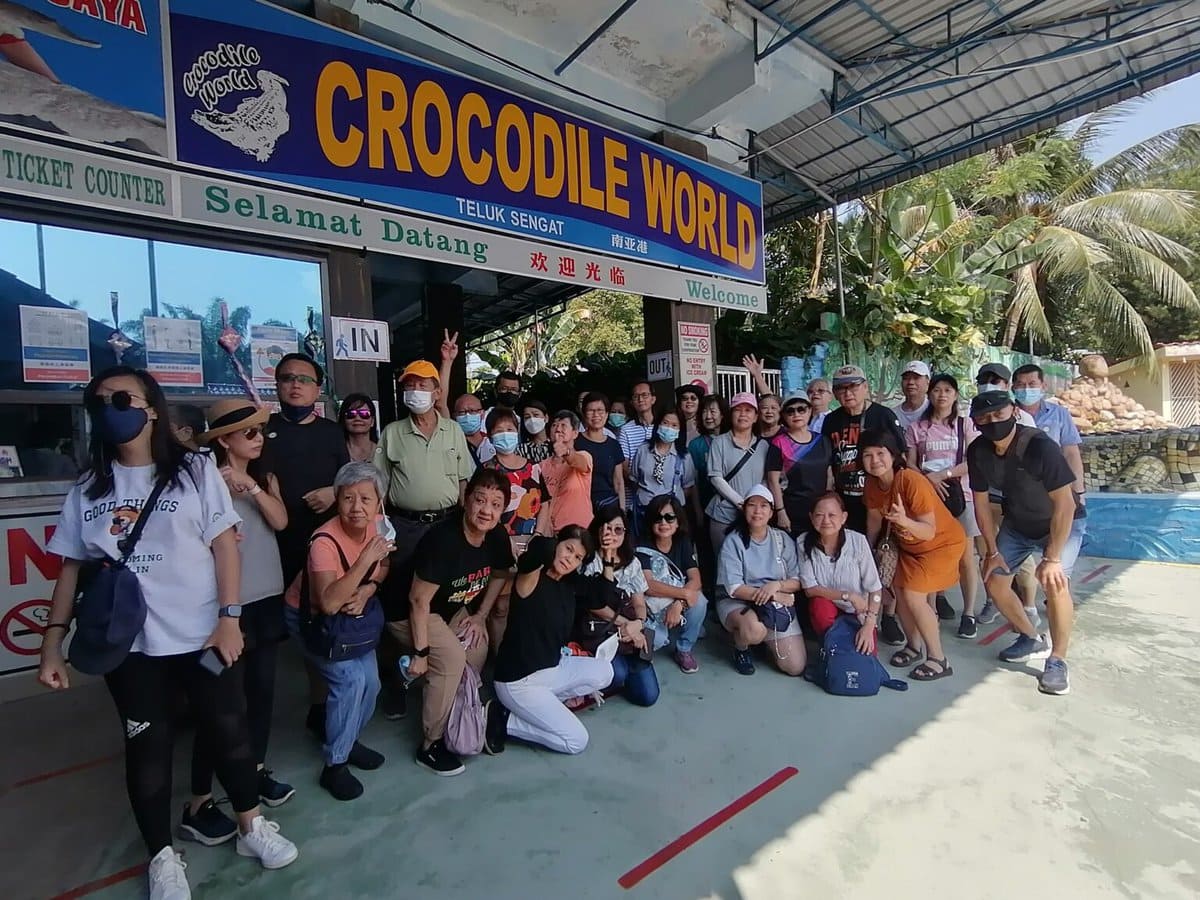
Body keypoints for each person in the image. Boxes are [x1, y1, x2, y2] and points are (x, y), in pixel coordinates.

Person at [40, 367, 298, 899]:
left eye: (121, 398)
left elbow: (226, 545)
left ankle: (250, 825)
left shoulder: (195, 470)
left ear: (151, 408)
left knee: (228, 729)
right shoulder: (87, 490)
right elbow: (69, 569)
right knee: (148, 749)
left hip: (203, 641)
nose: (112, 408)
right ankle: (162, 855)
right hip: (131, 651)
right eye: (100, 402)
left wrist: (228, 619)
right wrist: (51, 644)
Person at [186, 400, 293, 846]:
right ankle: (198, 800)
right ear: (223, 439)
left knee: (262, 693)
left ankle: (253, 771)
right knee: (219, 703)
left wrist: (250, 487)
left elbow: (281, 521)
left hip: (266, 603)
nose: (258, 439)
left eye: (260, 432)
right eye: (248, 433)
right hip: (221, 612)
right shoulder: (199, 482)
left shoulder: (263, 478)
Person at [386, 468, 515, 774]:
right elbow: (418, 600)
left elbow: (502, 573)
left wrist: (481, 616)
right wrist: (421, 652)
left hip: (449, 608)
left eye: (496, 504)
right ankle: (430, 744)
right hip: (408, 612)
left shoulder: (495, 535)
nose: (486, 510)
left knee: (477, 647)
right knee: (452, 659)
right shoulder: (443, 540)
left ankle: (458, 712)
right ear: (466, 499)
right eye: (480, 500)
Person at [375, 359, 475, 720]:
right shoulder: (392, 433)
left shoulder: (453, 431)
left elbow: (465, 484)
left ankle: (437, 665)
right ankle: (396, 680)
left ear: (437, 393)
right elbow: (378, 487)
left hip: (447, 525)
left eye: (422, 386)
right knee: (399, 603)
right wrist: (380, 531)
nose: (414, 392)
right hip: (407, 528)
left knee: (443, 599)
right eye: (409, 385)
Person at [285, 462, 391, 800]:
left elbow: (383, 566)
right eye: (348, 498)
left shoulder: (380, 526)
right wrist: (363, 563)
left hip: (351, 617)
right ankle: (335, 765)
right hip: (315, 620)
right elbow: (328, 603)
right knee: (350, 682)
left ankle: (346, 740)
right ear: (337, 500)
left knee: (372, 683)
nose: (356, 507)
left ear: (379, 503)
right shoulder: (324, 542)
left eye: (365, 499)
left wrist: (367, 590)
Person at [968, 391, 1085, 696]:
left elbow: (1066, 505)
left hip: (1059, 524)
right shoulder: (978, 450)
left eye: (998, 414)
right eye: (984, 418)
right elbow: (980, 504)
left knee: (1056, 583)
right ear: (975, 423)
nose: (992, 422)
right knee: (994, 581)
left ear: (1014, 412)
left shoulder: (1040, 446)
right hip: (1018, 524)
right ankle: (1030, 636)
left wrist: (1053, 557)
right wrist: (992, 551)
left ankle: (1057, 660)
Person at [258, 353, 349, 738]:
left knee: (319, 625)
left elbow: (349, 481)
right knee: (265, 638)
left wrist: (333, 492)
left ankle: (319, 706)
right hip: (269, 546)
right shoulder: (261, 429)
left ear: (318, 388)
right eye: (287, 378)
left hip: (321, 546)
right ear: (277, 385)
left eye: (304, 379)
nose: (295, 385)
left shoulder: (330, 432)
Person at [485, 529, 615, 756]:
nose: (569, 559)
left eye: (577, 558)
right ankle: (505, 720)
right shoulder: (531, 577)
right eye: (568, 549)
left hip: (552, 667)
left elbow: (602, 596)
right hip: (518, 680)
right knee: (576, 741)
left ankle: (544, 706)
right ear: (557, 544)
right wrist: (555, 541)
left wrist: (608, 557)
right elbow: (538, 550)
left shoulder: (569, 584)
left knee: (605, 672)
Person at [862, 429, 966, 683]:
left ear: (893, 455)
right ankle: (913, 646)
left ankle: (939, 659)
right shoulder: (873, 484)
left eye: (880, 453)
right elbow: (874, 522)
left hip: (941, 544)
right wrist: (868, 552)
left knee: (913, 595)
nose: (875, 460)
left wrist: (903, 521)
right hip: (909, 547)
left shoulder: (910, 479)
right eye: (867, 455)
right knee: (899, 591)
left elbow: (928, 531)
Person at [905, 374, 983, 637]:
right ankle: (932, 609)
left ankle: (969, 612)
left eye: (948, 390)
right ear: (930, 394)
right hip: (929, 498)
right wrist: (927, 480)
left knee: (965, 557)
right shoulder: (918, 427)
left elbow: (974, 461)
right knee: (931, 553)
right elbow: (910, 463)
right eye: (937, 390)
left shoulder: (965, 425)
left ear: (955, 395)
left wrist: (943, 475)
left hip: (961, 496)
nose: (942, 395)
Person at [716, 484, 807, 676]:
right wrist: (774, 596)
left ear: (772, 511)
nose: (758, 511)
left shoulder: (781, 539)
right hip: (739, 602)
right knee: (753, 631)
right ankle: (741, 647)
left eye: (764, 506)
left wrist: (778, 586)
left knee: (795, 666)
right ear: (744, 508)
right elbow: (734, 588)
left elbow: (798, 580)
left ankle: (764, 643)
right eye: (752, 505)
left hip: (774, 604)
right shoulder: (734, 541)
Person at [974, 362, 1037, 626]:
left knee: (1022, 557)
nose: (990, 384)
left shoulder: (1023, 420)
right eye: (985, 380)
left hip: (1018, 500)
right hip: (986, 494)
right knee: (988, 552)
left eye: (996, 381)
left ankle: (1029, 605)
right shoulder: (977, 413)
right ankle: (994, 601)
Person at [578, 508, 656, 706]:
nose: (612, 534)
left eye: (618, 530)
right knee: (618, 674)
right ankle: (603, 675)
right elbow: (596, 607)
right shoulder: (589, 560)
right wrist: (625, 623)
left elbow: (639, 602)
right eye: (607, 529)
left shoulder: (633, 562)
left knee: (648, 696)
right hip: (601, 630)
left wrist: (638, 624)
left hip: (629, 630)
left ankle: (617, 675)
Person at [824, 365, 908, 534]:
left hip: (880, 498)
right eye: (841, 388)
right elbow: (828, 459)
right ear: (834, 393)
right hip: (845, 499)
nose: (848, 393)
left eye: (854, 386)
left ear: (865, 387)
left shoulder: (884, 416)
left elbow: (901, 458)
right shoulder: (831, 420)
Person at [798, 493, 885, 654]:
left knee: (867, 652)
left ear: (843, 517)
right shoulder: (803, 542)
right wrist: (849, 596)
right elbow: (810, 589)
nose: (826, 521)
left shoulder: (858, 541)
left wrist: (869, 623)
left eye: (832, 515)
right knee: (819, 606)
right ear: (811, 518)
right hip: (832, 607)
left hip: (859, 611)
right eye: (819, 515)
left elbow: (875, 590)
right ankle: (830, 649)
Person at [636, 494, 708, 673]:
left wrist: (679, 603)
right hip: (649, 605)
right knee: (657, 641)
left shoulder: (682, 542)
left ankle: (684, 649)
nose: (664, 523)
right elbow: (649, 585)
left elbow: (696, 579)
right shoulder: (642, 545)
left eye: (669, 517)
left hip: (673, 598)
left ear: (678, 522)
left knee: (700, 601)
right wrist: (683, 595)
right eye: (657, 518)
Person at [705, 392, 768, 556]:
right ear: (731, 415)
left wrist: (754, 505)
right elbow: (716, 477)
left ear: (755, 417)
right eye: (738, 410)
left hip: (756, 517)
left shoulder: (764, 446)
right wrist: (741, 503)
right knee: (724, 564)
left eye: (748, 410)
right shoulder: (719, 443)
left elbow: (767, 480)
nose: (743, 414)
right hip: (723, 515)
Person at [766, 395, 831, 538]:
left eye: (801, 409)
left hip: (820, 511)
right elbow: (773, 480)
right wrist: (780, 511)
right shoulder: (779, 443)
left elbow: (829, 474)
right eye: (790, 411)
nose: (796, 414)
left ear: (810, 411)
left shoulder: (823, 440)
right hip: (792, 511)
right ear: (783, 416)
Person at [485, 407, 551, 537]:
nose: (505, 434)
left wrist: (538, 533)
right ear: (490, 436)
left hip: (533, 540)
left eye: (510, 429)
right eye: (499, 431)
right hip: (500, 541)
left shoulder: (533, 467)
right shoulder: (488, 470)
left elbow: (544, 503)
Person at [629, 408, 696, 537]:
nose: (669, 428)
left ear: (679, 430)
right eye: (665, 423)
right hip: (644, 513)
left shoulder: (684, 456)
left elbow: (688, 487)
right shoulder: (643, 450)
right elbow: (634, 480)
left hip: (671, 518)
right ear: (658, 424)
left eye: (674, 425)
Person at [541, 411, 594, 531]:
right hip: (549, 532)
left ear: (575, 433)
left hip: (578, 531)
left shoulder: (584, 456)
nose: (558, 429)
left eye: (563, 425)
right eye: (554, 425)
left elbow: (578, 462)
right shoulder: (541, 466)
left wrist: (566, 452)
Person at [576, 391, 625, 513]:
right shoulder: (575, 442)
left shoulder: (613, 445)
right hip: (580, 503)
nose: (596, 415)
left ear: (607, 414)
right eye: (591, 410)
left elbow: (618, 481)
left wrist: (622, 511)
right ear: (583, 413)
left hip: (607, 505)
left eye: (600, 410)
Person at [618, 381, 657, 489]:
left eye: (645, 395)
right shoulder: (625, 430)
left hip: (662, 493)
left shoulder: (662, 426)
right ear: (632, 402)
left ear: (653, 399)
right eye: (636, 396)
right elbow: (624, 466)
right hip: (635, 493)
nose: (640, 399)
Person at [454, 392, 496, 467]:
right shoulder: (452, 443)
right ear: (454, 416)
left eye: (472, 411)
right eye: (462, 412)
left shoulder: (494, 442)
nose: (467, 416)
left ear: (482, 414)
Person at [338, 393, 378, 463]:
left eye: (364, 414)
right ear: (343, 420)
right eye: (351, 414)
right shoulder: (336, 451)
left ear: (372, 421)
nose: (357, 418)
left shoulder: (383, 452)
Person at [892, 360, 931, 429]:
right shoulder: (892, 415)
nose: (910, 382)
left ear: (928, 382)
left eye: (916, 378)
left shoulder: (935, 411)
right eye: (906, 378)